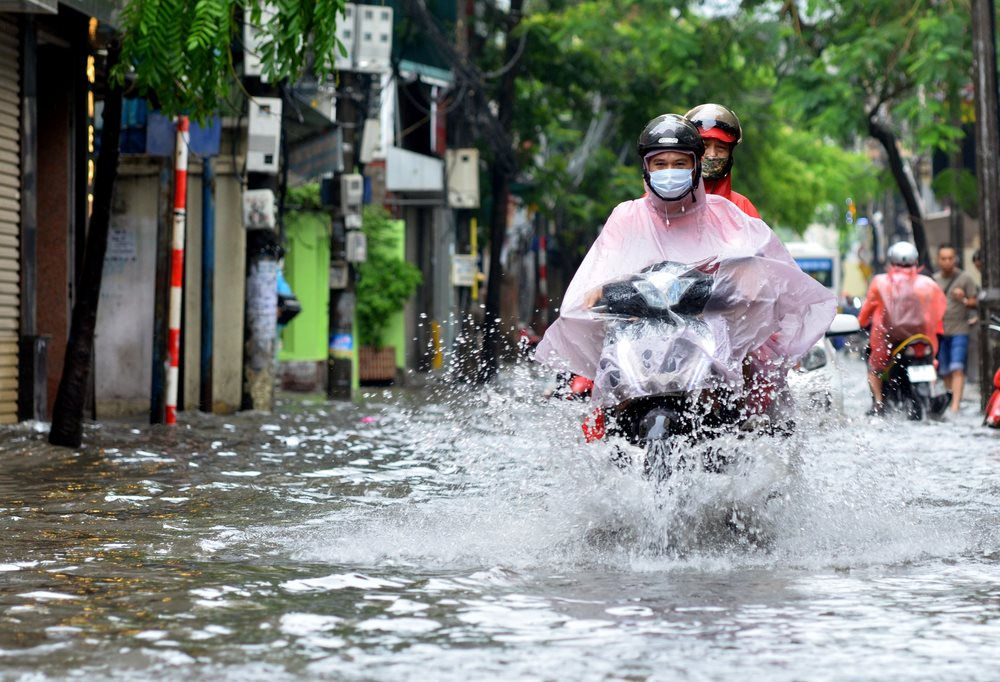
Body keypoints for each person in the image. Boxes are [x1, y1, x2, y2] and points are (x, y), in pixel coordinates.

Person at [534, 114, 836, 434]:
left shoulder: (728, 216)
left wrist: (717, 291)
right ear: (646, 169)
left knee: (747, 408)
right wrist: (616, 297)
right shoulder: (625, 218)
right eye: (659, 164)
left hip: (710, 354)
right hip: (639, 352)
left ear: (695, 166)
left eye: (679, 163)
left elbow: (756, 283)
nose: (669, 172)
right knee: (605, 414)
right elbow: (593, 290)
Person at [857, 241, 947, 416]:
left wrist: (860, 323)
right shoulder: (927, 284)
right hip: (921, 339)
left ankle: (878, 403)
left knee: (874, 369)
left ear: (891, 261)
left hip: (889, 341)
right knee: (933, 363)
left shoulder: (879, 282)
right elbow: (938, 312)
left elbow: (866, 312)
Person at [684, 103, 760, 218]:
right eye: (704, 146)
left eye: (721, 147)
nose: (712, 155)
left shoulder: (742, 208)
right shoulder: (658, 202)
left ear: (730, 154)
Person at [933, 243, 980, 413]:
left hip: (960, 330)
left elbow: (976, 301)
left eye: (950, 258)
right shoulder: (934, 280)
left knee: (957, 368)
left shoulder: (965, 279)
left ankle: (955, 407)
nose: (947, 262)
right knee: (945, 370)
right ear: (938, 260)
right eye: (943, 258)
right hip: (940, 332)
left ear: (955, 259)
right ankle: (950, 398)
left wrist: (964, 300)